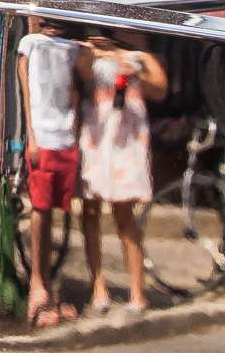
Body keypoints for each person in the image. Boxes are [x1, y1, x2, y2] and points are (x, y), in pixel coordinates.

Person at [78, 29, 167, 315]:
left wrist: (134, 73)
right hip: (96, 131)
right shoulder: (87, 50)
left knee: (124, 215)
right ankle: (98, 287)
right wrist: (95, 49)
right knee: (90, 210)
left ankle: (137, 293)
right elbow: (81, 73)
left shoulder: (139, 56)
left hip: (126, 138)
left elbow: (161, 89)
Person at [17, 20, 81, 326]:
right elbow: (26, 92)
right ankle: (37, 286)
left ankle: (49, 289)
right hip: (41, 136)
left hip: (65, 136)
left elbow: (75, 92)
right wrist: (30, 135)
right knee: (39, 211)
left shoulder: (72, 48)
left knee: (56, 211)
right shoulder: (30, 44)